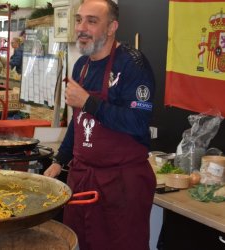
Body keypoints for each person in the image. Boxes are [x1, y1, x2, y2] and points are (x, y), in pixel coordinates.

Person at [43, 0, 156, 249]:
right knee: (77, 242)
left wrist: (88, 102)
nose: (82, 27)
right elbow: (78, 120)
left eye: (92, 21)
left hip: (121, 184)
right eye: (79, 19)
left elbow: (138, 122)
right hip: (83, 179)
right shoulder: (82, 65)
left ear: (111, 27)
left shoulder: (133, 65)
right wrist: (59, 161)